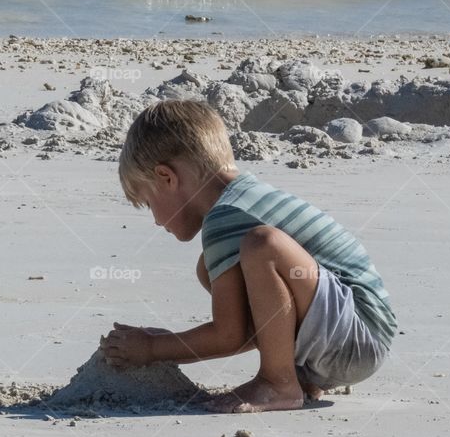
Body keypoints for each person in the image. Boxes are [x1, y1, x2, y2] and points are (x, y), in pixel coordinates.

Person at [99, 99, 396, 413]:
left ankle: (278, 383)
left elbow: (230, 335)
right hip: (343, 341)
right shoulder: (243, 197)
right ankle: (295, 376)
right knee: (210, 268)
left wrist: (153, 348)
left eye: (148, 204)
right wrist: (162, 342)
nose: (157, 221)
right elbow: (242, 326)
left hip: (359, 335)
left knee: (262, 245)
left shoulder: (226, 215)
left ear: (167, 178)